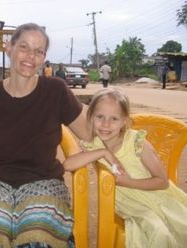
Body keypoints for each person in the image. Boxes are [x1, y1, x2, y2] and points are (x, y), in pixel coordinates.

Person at [0, 23, 90, 248]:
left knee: (37, 234)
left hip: (44, 182)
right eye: (24, 47)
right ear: (9, 48)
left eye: (38, 51)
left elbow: (89, 130)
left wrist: (123, 128)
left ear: (44, 57)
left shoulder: (55, 91)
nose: (31, 56)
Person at [64, 88, 187, 248]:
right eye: (100, 117)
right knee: (157, 230)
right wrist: (104, 152)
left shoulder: (136, 142)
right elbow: (68, 164)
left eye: (114, 118)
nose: (106, 124)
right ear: (90, 117)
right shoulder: (95, 145)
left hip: (157, 197)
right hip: (130, 205)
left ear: (124, 121)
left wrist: (126, 182)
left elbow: (162, 181)